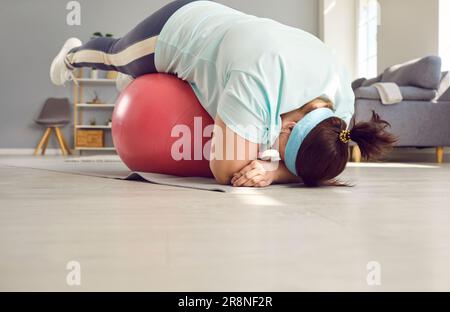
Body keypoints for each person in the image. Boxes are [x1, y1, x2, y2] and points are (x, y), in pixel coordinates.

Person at [50, 0, 396, 187]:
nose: (271, 152)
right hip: (180, 27)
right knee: (117, 56)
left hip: (227, 43)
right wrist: (280, 174)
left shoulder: (340, 109)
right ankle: (73, 54)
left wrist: (278, 172)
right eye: (279, 148)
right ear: (290, 128)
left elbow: (326, 163)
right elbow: (224, 169)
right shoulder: (257, 80)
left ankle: (137, 81)